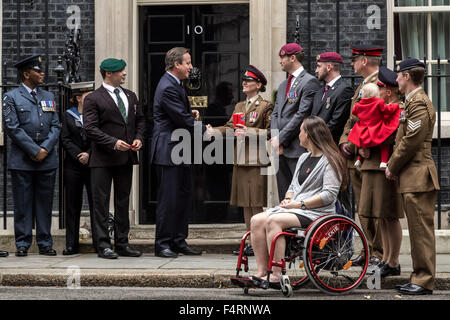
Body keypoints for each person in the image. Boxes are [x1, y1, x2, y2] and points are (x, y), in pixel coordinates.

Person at [250, 116, 347, 287]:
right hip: (296, 209)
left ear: (308, 135)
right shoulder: (303, 158)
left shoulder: (331, 160)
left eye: (301, 131)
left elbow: (329, 195)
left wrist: (300, 204)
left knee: (273, 221)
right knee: (256, 220)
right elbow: (294, 185)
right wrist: (288, 199)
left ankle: (276, 274)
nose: (299, 134)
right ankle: (262, 271)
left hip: (317, 212)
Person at [150, 47, 212, 258]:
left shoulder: (175, 85)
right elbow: (179, 118)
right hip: (169, 150)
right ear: (176, 65)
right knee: (169, 199)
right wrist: (204, 130)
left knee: (182, 196)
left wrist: (190, 112)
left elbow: (180, 114)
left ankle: (178, 240)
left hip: (179, 149)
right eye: (187, 63)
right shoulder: (168, 86)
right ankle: (163, 244)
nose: (191, 67)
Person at [83, 58, 146, 259]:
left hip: (125, 157)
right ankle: (102, 244)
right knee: (100, 202)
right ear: (108, 74)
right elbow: (90, 128)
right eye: (120, 71)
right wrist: (112, 142)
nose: (124, 74)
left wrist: (138, 138)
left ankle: (122, 242)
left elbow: (141, 121)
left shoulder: (130, 95)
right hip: (102, 158)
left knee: (122, 201)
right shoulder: (94, 98)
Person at [208, 65, 273, 256]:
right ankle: (251, 243)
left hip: (256, 160)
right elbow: (230, 127)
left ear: (258, 84)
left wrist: (250, 132)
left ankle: (260, 243)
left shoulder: (266, 105)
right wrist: (213, 132)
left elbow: (270, 132)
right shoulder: (239, 106)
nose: (244, 83)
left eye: (249, 80)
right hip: (240, 159)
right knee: (246, 204)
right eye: (244, 80)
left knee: (256, 204)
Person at [387, 59, 439, 295]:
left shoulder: (418, 103)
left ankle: (423, 279)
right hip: (413, 175)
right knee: (418, 231)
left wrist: (393, 165)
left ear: (407, 76)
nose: (396, 79)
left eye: (398, 75)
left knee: (421, 231)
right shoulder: (411, 102)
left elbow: (411, 141)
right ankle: (419, 276)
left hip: (419, 175)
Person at [2, 55, 60, 257]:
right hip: (23, 159)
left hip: (47, 158)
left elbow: (55, 125)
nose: (42, 73)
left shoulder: (49, 96)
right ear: (26, 74)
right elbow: (12, 127)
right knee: (23, 204)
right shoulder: (11, 97)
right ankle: (23, 243)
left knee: (44, 204)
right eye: (38, 70)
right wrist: (34, 150)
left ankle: (45, 242)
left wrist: (45, 148)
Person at [356, 67, 405, 277]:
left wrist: (368, 142)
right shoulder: (380, 108)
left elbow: (394, 138)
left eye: (380, 87)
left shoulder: (397, 108)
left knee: (390, 215)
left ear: (387, 91)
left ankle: (393, 261)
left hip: (386, 166)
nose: (377, 90)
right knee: (381, 216)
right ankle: (385, 258)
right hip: (373, 164)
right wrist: (360, 145)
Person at [338, 45, 384, 265]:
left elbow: (376, 123)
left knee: (372, 207)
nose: (352, 64)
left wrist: (354, 145)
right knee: (362, 208)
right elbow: (352, 119)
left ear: (364, 61)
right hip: (355, 152)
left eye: (355, 60)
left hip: (369, 155)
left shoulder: (380, 85)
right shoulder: (363, 86)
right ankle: (369, 249)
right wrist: (345, 140)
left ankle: (377, 252)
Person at [270, 43, 320, 203]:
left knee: (300, 195)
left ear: (292, 58)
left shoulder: (309, 81)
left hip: (297, 147)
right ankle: (286, 228)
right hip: (280, 148)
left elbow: (301, 114)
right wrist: (275, 139)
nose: (280, 61)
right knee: (283, 194)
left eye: (282, 57)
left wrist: (281, 139)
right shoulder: (283, 84)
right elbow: (275, 114)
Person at [61, 82, 95, 255]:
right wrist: (78, 155)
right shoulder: (68, 116)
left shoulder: (95, 115)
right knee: (72, 205)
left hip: (93, 163)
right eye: (88, 95)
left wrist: (88, 153)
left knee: (96, 204)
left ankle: (99, 241)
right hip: (73, 165)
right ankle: (71, 244)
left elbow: (98, 137)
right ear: (78, 98)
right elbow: (65, 139)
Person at [348, 83, 400, 169]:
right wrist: (395, 106)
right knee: (383, 143)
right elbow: (387, 110)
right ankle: (383, 161)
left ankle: (359, 160)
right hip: (375, 128)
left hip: (363, 129)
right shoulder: (378, 102)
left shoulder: (358, 105)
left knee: (362, 143)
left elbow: (354, 112)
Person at [311, 52, 354, 145]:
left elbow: (336, 123)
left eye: (319, 66)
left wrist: (315, 140)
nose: (316, 70)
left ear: (329, 67)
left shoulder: (344, 90)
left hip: (330, 146)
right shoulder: (320, 92)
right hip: (316, 146)